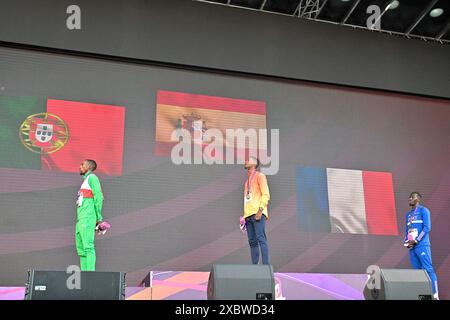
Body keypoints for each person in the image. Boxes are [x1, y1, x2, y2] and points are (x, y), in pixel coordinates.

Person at [404, 192, 439, 299]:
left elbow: (427, 228)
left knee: (428, 269)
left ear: (418, 199)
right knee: (418, 272)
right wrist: (406, 241)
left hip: (422, 245)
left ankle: (435, 294)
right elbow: (407, 230)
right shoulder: (408, 214)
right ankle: (424, 295)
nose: (410, 198)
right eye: (409, 197)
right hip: (412, 247)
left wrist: (417, 240)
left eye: (412, 197)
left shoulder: (424, 210)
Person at [76, 159, 104, 271]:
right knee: (81, 249)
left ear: (89, 166)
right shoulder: (85, 181)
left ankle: (90, 276)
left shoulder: (92, 178)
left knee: (88, 247)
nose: (80, 166)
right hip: (80, 219)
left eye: (82, 164)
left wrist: (99, 218)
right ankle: (84, 277)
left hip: (88, 217)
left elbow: (99, 197)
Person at [243, 156, 270, 265]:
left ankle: (265, 267)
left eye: (248, 159)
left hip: (258, 213)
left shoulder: (260, 176)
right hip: (248, 215)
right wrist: (244, 216)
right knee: (252, 242)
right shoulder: (246, 182)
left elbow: (266, 194)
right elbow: (247, 200)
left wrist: (260, 210)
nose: (245, 161)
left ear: (254, 164)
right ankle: (254, 268)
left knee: (261, 238)